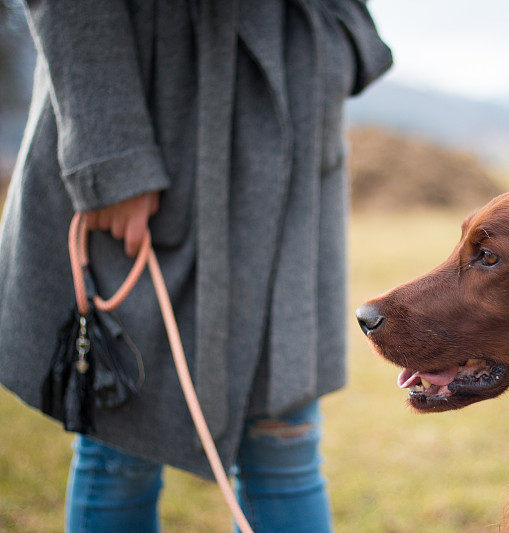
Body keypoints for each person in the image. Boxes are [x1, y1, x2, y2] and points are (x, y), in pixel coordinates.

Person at [0, 0, 391, 531]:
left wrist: (345, 33)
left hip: (289, 114)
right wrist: (110, 154)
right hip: (153, 114)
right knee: (121, 444)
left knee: (285, 438)